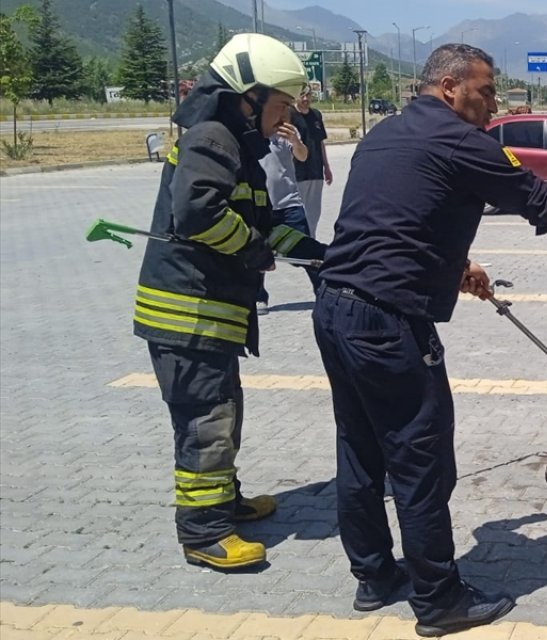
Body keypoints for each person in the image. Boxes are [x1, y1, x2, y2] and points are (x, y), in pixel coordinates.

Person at [312, 43, 547, 637]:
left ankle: (375, 577)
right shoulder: (462, 142)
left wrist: (452, 263)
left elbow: (392, 220)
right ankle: (440, 600)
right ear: (450, 87)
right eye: (487, 90)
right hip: (388, 325)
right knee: (419, 460)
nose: (494, 102)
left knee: (361, 451)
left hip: (336, 311)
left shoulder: (384, 135)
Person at [133, 33, 327, 571]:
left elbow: (263, 225)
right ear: (248, 96)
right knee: (205, 422)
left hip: (210, 316)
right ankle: (204, 532)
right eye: (281, 104)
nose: (285, 115)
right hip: (187, 316)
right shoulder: (213, 138)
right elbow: (199, 216)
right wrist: (251, 249)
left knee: (224, 412)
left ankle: (224, 500)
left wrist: (319, 254)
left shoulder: (237, 145)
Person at [257, 118, 322, 312]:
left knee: (308, 250)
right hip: (260, 204)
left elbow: (302, 156)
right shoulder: (251, 131)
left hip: (289, 203)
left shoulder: (286, 130)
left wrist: (296, 142)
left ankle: (323, 292)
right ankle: (259, 296)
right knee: (258, 251)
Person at [292, 86, 332, 235]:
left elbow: (320, 142)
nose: (305, 99)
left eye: (308, 95)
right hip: (297, 173)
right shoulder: (290, 114)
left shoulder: (316, 115)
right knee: (299, 215)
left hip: (316, 172)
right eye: (302, 95)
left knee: (313, 214)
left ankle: (311, 243)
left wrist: (326, 167)